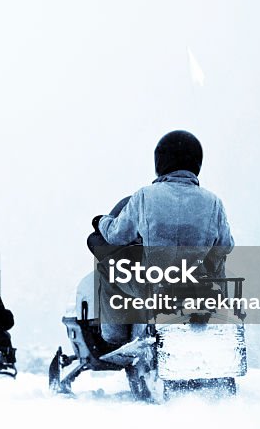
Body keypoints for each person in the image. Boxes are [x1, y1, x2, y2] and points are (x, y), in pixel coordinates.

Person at [90, 130, 234, 343]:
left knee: (108, 267)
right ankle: (214, 313)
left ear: (160, 161)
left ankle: (116, 335)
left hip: (157, 287)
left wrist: (100, 221)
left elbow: (116, 236)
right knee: (217, 259)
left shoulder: (144, 196)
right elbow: (226, 245)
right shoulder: (213, 202)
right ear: (197, 163)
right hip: (201, 289)